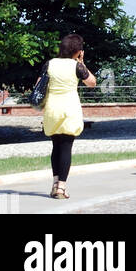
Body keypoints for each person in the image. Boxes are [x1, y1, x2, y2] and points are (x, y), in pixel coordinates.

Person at [41, 34, 97, 199]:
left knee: (56, 146)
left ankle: (54, 184)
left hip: (52, 110)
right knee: (66, 147)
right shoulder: (76, 66)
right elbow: (92, 82)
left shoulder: (49, 64)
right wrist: (81, 62)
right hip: (69, 110)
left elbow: (39, 84)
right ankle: (61, 188)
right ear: (78, 51)